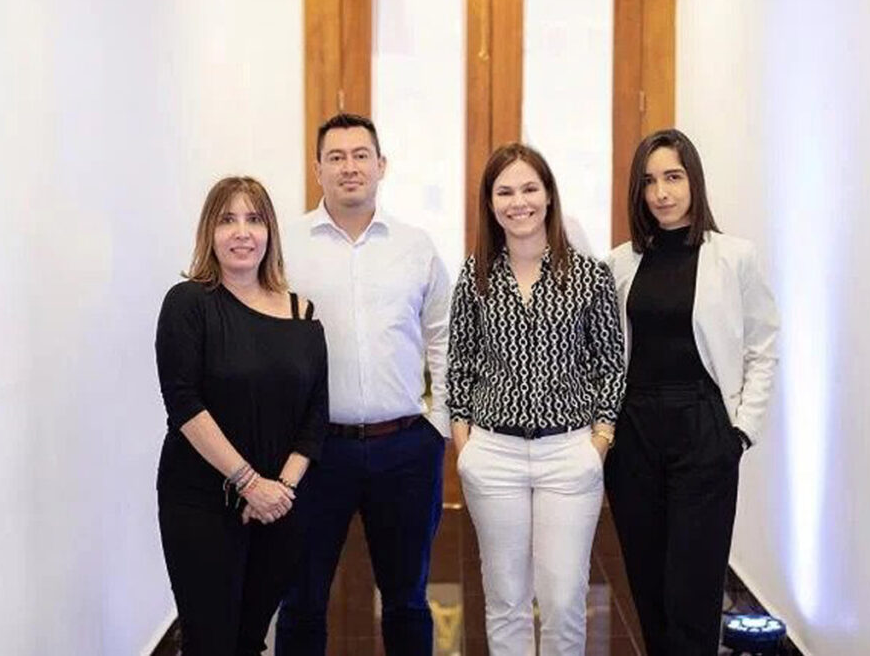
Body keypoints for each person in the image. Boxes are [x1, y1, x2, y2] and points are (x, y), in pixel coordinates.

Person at [275, 113, 451, 656]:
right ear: (317, 169)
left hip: (404, 448)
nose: (349, 167)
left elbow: (444, 334)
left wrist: (437, 422)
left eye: (360, 155)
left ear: (381, 165)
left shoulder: (415, 246)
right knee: (302, 600)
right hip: (313, 451)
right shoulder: (285, 246)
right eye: (336, 157)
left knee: (407, 600)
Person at [605, 129, 779, 655]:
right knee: (649, 585)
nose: (662, 192)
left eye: (673, 177)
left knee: (694, 590)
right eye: (650, 181)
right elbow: (609, 354)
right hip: (635, 437)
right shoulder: (620, 263)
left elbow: (763, 346)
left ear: (693, 181)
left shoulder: (733, 257)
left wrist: (742, 431)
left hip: (704, 431)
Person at [447, 142, 626, 655]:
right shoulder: (475, 275)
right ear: (490, 202)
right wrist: (466, 444)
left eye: (529, 188)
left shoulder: (589, 275)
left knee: (565, 597)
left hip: (569, 454)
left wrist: (600, 440)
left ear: (549, 196)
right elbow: (460, 364)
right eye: (504, 191)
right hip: (494, 454)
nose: (517, 201)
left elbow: (609, 365)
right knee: (504, 599)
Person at [154, 176, 328, 656]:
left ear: (270, 232)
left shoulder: (301, 312)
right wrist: (250, 483)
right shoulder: (188, 303)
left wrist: (281, 491)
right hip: (201, 502)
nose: (241, 232)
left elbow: (315, 416)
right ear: (209, 231)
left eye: (254, 219)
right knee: (210, 643)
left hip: (280, 506)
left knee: (249, 640)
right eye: (227, 219)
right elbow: (184, 404)